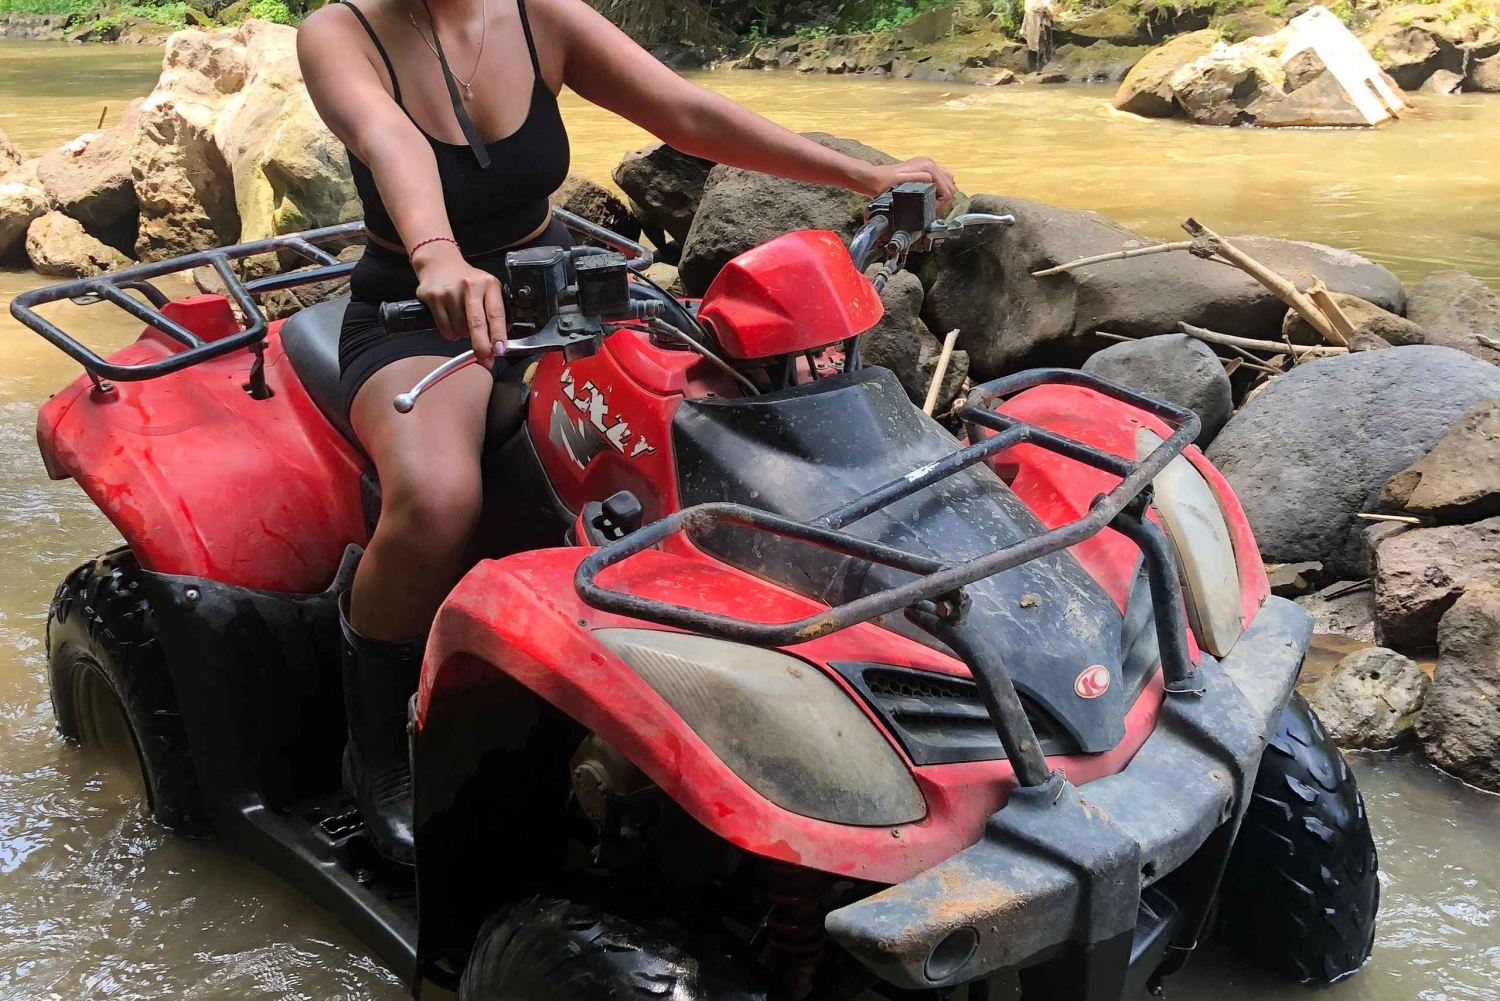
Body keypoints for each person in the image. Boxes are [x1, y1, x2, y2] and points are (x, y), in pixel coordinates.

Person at [296, 0, 956, 865]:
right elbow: (393, 140)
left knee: (718, 431)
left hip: (568, 295)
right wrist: (435, 255)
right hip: (421, 314)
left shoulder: (541, 16)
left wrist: (859, 177)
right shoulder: (339, 32)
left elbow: (683, 112)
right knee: (436, 499)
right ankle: (377, 741)